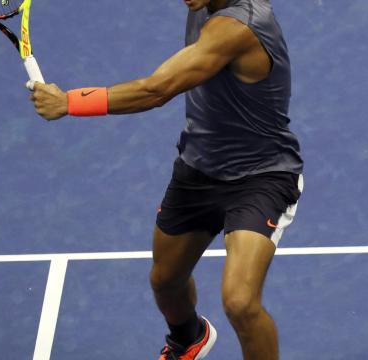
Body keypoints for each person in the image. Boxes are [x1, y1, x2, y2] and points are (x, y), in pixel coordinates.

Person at [29, 0, 304, 359]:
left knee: (240, 301)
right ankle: (189, 337)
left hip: (261, 177)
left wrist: (69, 102)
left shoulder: (238, 27)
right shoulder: (206, 4)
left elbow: (157, 89)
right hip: (199, 169)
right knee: (165, 281)